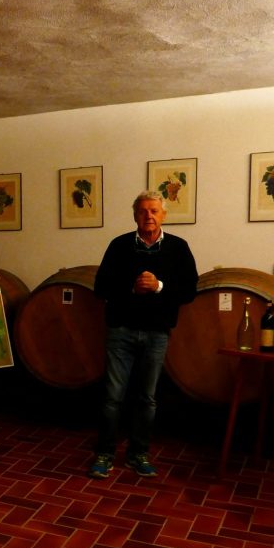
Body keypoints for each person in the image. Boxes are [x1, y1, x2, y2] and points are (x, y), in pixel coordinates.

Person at [88, 190, 198, 478]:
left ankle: (139, 454)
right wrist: (131, 288)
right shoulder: (118, 245)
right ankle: (104, 454)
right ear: (134, 215)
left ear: (163, 215)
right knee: (112, 396)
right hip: (120, 330)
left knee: (146, 398)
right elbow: (101, 288)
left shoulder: (179, 248)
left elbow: (189, 291)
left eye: (154, 211)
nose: (148, 216)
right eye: (142, 211)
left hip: (157, 332)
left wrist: (160, 286)